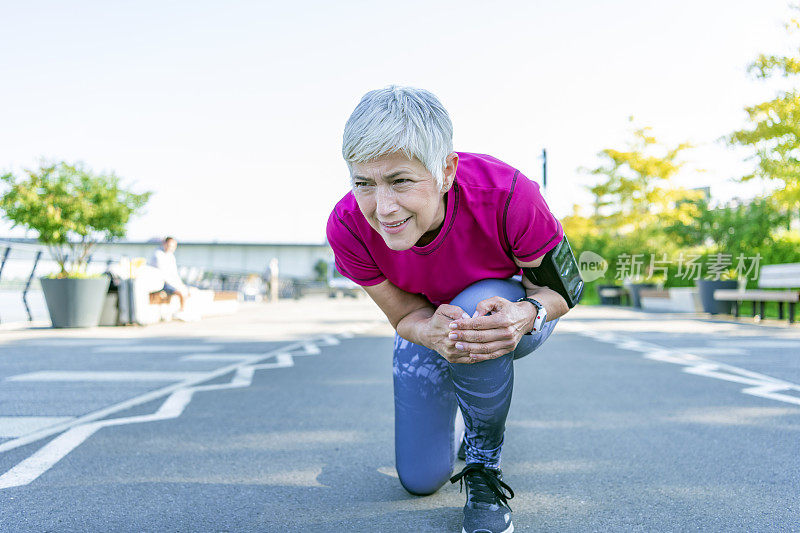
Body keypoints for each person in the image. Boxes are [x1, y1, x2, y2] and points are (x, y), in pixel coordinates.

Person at [326, 86, 581, 533]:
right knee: (421, 480)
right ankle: (465, 415)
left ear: (446, 171)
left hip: (512, 313)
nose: (382, 209)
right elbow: (404, 316)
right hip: (432, 324)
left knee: (472, 318)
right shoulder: (348, 225)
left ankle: (484, 467)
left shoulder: (509, 193)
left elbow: (564, 291)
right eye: (364, 183)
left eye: (401, 181)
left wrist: (524, 314)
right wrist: (429, 334)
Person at [148, 236, 193, 318]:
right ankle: (181, 312)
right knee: (181, 292)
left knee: (187, 291)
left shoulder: (171, 256)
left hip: (171, 282)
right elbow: (164, 275)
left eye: (174, 246)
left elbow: (174, 274)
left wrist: (181, 285)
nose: (172, 248)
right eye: (170, 245)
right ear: (164, 244)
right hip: (161, 282)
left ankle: (182, 311)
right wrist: (177, 286)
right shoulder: (158, 255)